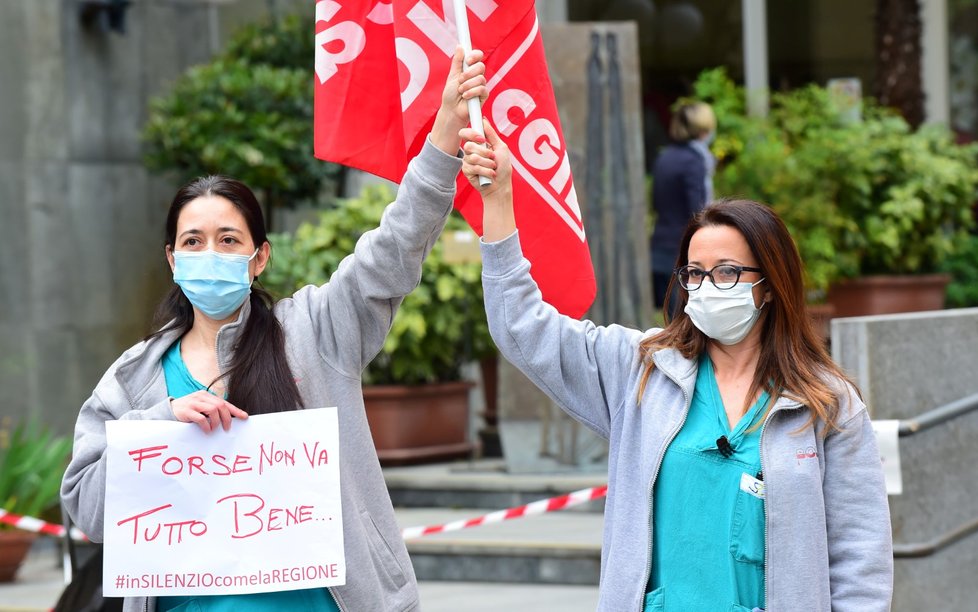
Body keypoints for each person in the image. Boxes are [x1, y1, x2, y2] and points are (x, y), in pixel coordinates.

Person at [60, 47, 488, 612]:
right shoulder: (133, 379)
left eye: (228, 239)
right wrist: (160, 426)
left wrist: (442, 140)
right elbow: (87, 511)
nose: (209, 253)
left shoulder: (315, 332)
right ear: (171, 258)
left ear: (259, 257)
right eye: (193, 241)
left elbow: (392, 252)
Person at [461, 123, 893, 611]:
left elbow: (861, 563)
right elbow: (521, 328)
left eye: (727, 271)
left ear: (769, 285)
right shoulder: (640, 369)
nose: (707, 286)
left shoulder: (827, 403)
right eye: (694, 273)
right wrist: (498, 203)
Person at [650, 101, 716, 317]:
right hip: (685, 249)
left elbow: (656, 202)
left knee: (671, 318)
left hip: (661, 243)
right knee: (688, 318)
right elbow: (698, 212)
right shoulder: (694, 161)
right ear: (704, 130)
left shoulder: (665, 157)